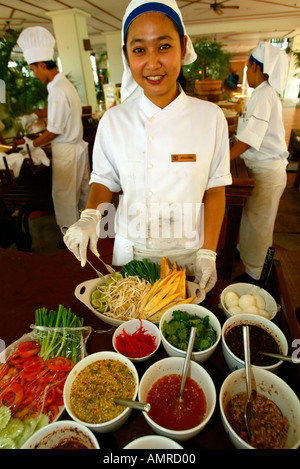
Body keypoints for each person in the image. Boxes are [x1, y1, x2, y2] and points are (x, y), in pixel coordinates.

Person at [64, 0, 232, 293]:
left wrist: (207, 253)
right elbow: (104, 179)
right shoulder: (114, 120)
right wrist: (90, 217)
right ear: (127, 56)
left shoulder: (209, 118)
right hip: (132, 252)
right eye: (139, 49)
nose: (152, 63)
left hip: (188, 255)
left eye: (164, 47)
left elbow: (215, 189)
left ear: (183, 45)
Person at [17, 27, 90, 246]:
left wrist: (31, 144)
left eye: (33, 70)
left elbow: (55, 129)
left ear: (41, 65)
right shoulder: (63, 84)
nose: (34, 74)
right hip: (77, 147)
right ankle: (87, 232)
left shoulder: (56, 89)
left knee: (64, 197)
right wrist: (35, 114)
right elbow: (58, 112)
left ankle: (71, 240)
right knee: (82, 193)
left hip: (66, 150)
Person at [230, 41, 290, 284]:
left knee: (259, 225)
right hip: (260, 169)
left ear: (255, 67)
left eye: (247, 67)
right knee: (250, 219)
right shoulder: (262, 94)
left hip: (266, 171)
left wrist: (220, 158)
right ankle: (243, 255)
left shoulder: (264, 94)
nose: (246, 73)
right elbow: (246, 131)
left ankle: (256, 275)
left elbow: (247, 140)